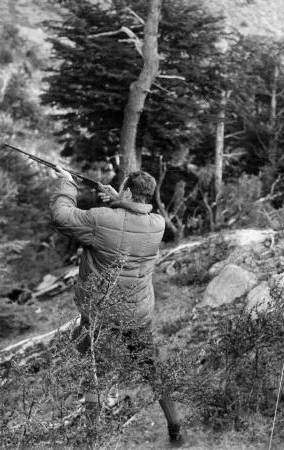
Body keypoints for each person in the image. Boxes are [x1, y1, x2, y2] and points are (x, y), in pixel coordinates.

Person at [50, 166, 183, 445]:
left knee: (94, 374)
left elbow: (61, 216)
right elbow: (131, 218)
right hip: (138, 313)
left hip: (102, 314)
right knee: (152, 369)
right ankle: (176, 429)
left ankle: (93, 437)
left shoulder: (100, 219)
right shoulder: (157, 223)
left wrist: (66, 183)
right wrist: (120, 199)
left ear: (126, 191)